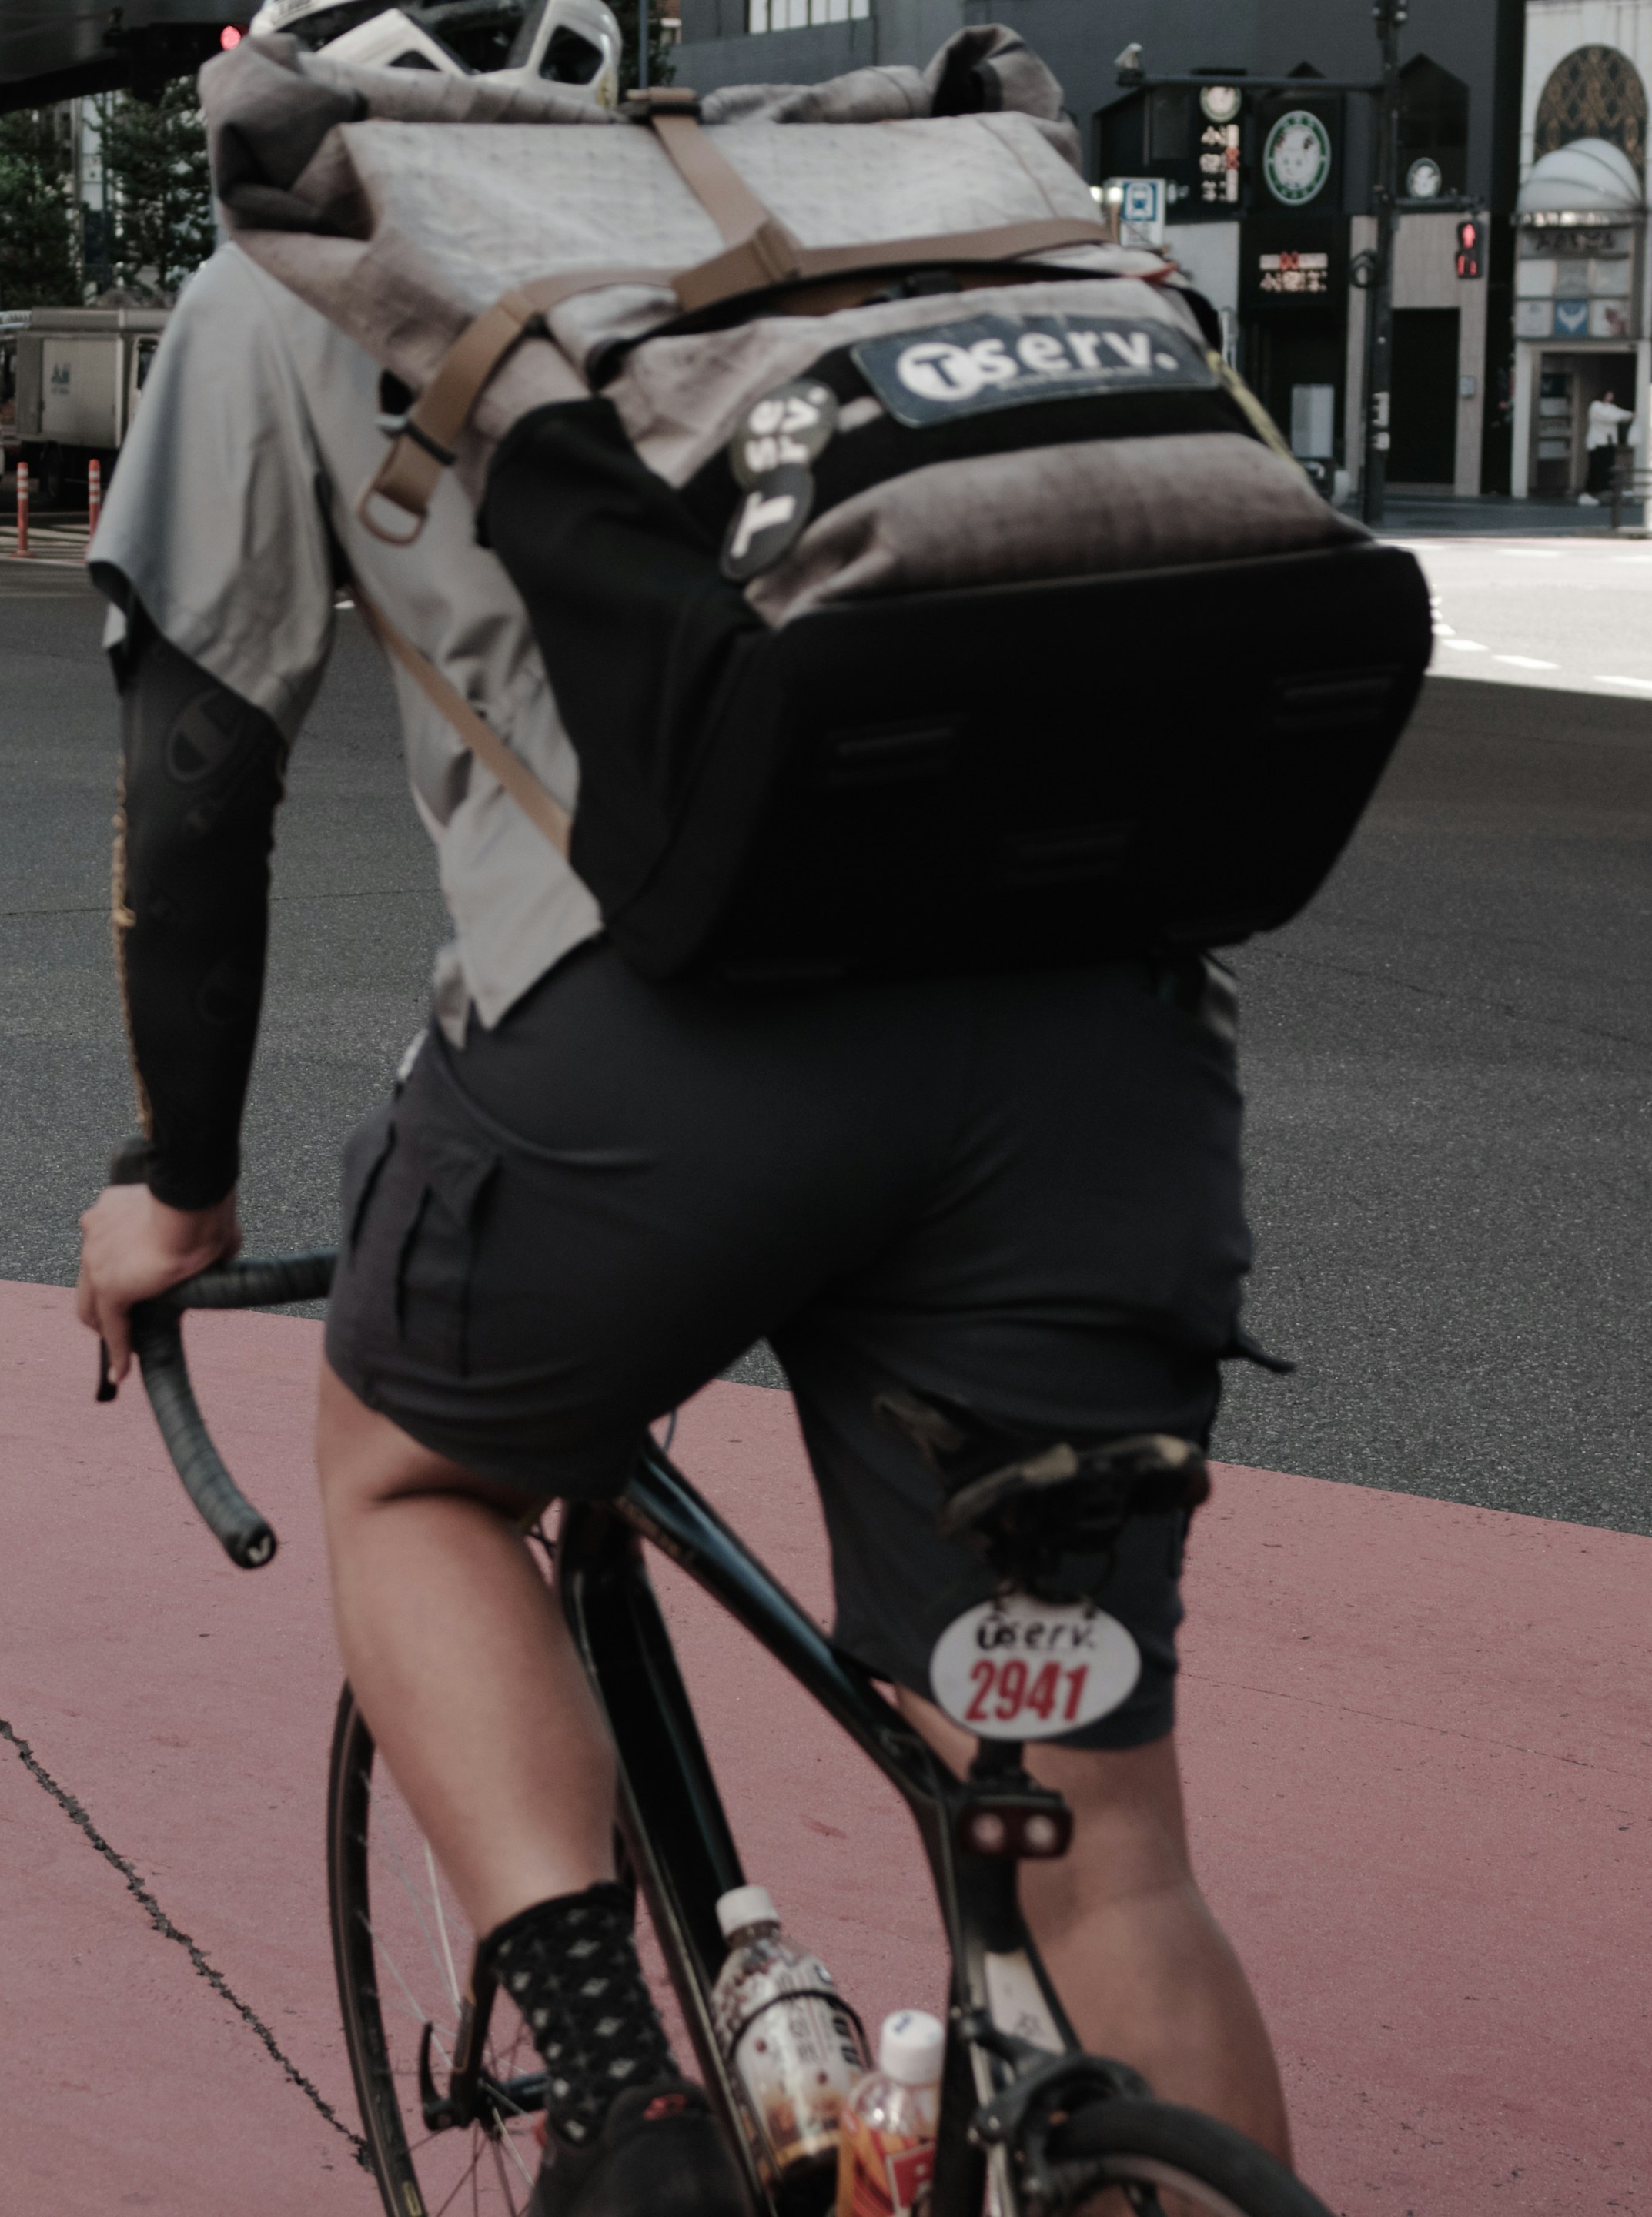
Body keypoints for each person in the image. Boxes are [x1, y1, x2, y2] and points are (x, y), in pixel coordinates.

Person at [72, 8, 1296, 2212]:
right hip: (1105, 1065)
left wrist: (177, 1185)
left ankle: (625, 2104)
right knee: (1100, 1864)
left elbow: (196, 773)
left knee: (415, 1474)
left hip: (658, 1067)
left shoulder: (304, 250)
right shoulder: (894, 198)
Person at [1580, 387, 1634, 505]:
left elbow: (1619, 413)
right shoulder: (1596, 406)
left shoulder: (1610, 407)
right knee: (1596, 468)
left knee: (1607, 468)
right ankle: (1589, 493)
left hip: (1608, 443)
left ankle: (1604, 492)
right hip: (1597, 443)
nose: (1610, 397)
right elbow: (1611, 417)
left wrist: (1630, 415)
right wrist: (1626, 416)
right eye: (1608, 394)